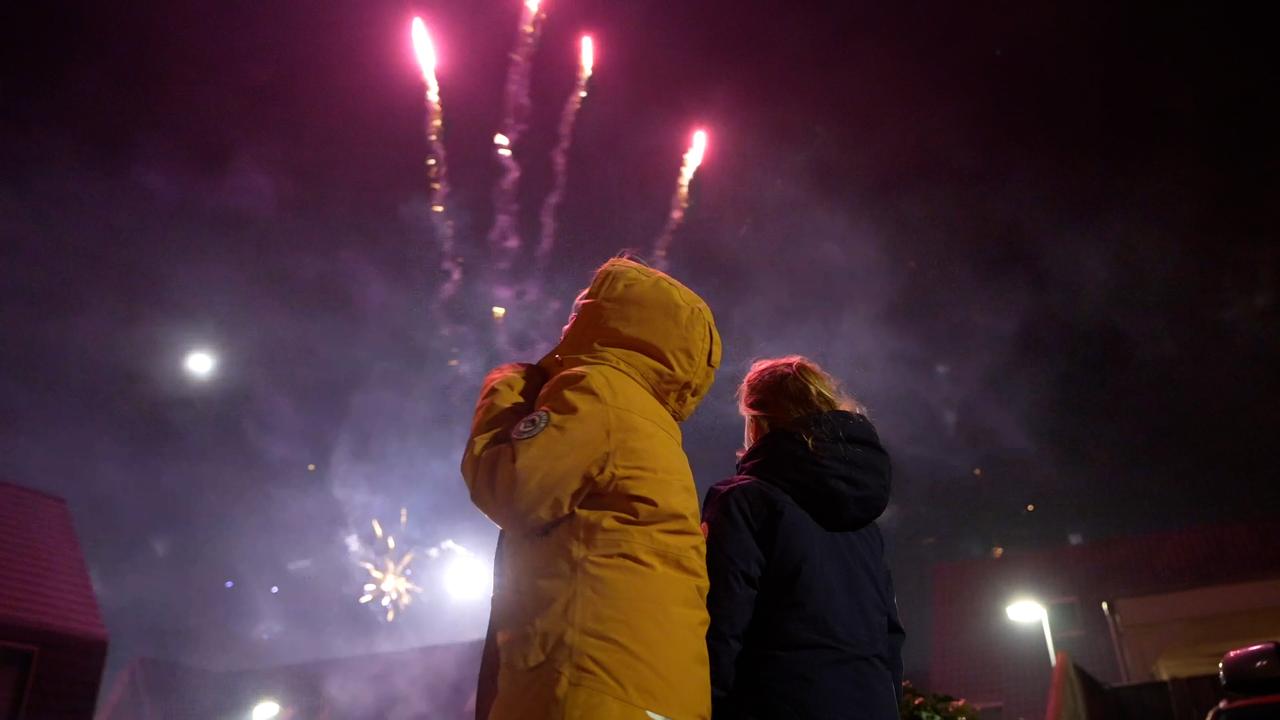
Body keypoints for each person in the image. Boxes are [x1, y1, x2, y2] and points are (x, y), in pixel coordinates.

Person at [462, 257, 721, 720]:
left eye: (581, 309)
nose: (568, 320)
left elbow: (515, 490)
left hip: (588, 685)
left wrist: (505, 389)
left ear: (609, 320)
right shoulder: (657, 427)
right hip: (661, 693)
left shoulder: (598, 389)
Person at [702, 356, 904, 719]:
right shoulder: (864, 522)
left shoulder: (745, 501)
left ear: (757, 420)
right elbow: (890, 638)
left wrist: (703, 706)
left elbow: (721, 622)